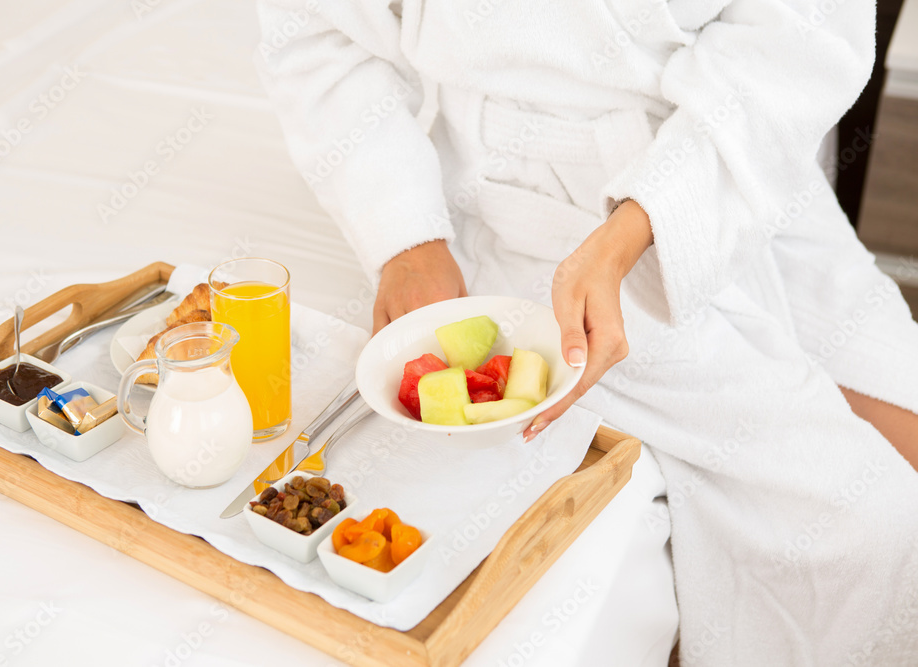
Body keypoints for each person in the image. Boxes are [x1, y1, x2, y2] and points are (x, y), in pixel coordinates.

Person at [255, 1, 918, 664]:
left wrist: (639, 226)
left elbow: (804, 37)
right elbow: (314, 29)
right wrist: (407, 239)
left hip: (737, 169)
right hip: (529, 219)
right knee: (878, 525)